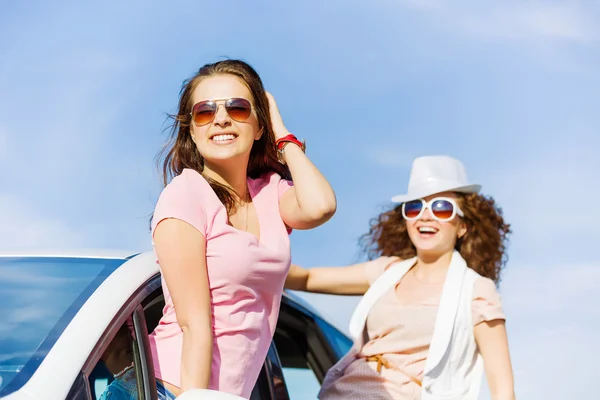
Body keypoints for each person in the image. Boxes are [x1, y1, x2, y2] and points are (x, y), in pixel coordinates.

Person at [150, 59, 336, 399]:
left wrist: (283, 133)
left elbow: (320, 206)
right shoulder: (185, 195)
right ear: (191, 129)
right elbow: (194, 325)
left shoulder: (270, 192)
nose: (221, 118)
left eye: (238, 108)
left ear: (259, 125)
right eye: (205, 111)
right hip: (173, 389)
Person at [285, 155, 515, 399]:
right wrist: (248, 261)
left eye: (442, 208)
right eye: (415, 207)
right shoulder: (387, 272)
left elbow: (503, 390)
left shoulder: (476, 291)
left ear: (462, 226)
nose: (425, 216)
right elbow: (307, 278)